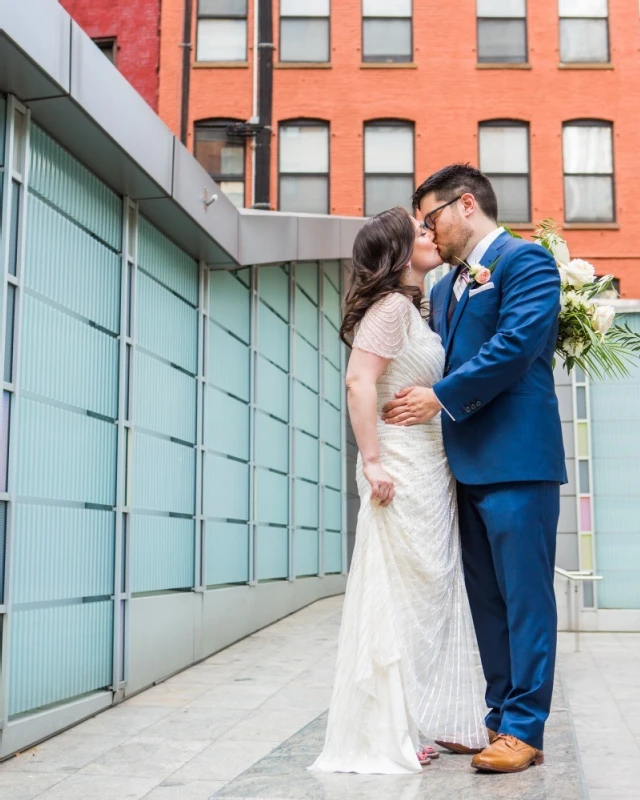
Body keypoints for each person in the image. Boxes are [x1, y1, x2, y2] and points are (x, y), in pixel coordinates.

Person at [382, 164, 566, 773]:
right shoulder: (444, 289)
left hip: (518, 458)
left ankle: (525, 729)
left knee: (525, 599)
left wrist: (438, 397)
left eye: (431, 218)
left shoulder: (525, 262)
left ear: (465, 206)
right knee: (487, 599)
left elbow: (514, 347)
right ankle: (497, 721)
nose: (428, 232)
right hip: (464, 464)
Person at [309, 206, 488, 775]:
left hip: (431, 465)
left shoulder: (418, 307)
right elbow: (359, 381)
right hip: (399, 466)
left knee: (424, 596)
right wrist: (372, 460)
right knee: (397, 595)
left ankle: (406, 721)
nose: (429, 234)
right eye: (418, 232)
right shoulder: (389, 308)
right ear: (396, 249)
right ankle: (384, 730)